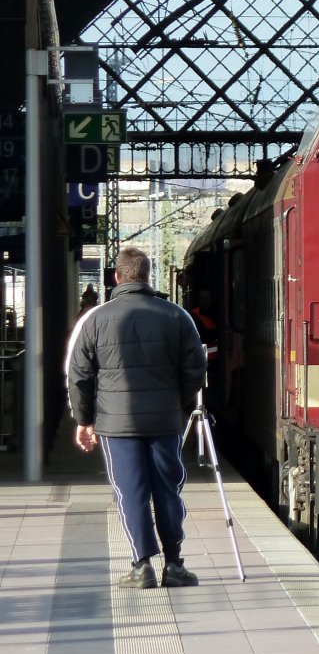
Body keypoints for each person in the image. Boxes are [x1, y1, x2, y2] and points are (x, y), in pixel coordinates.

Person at [66, 247, 207, 588]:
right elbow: (196, 368)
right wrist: (178, 402)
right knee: (168, 488)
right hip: (164, 421)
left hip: (117, 425)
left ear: (117, 277)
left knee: (131, 491)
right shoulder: (177, 316)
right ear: (148, 276)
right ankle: (174, 564)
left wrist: (84, 421)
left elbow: (79, 373)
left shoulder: (95, 319)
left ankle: (142, 565)